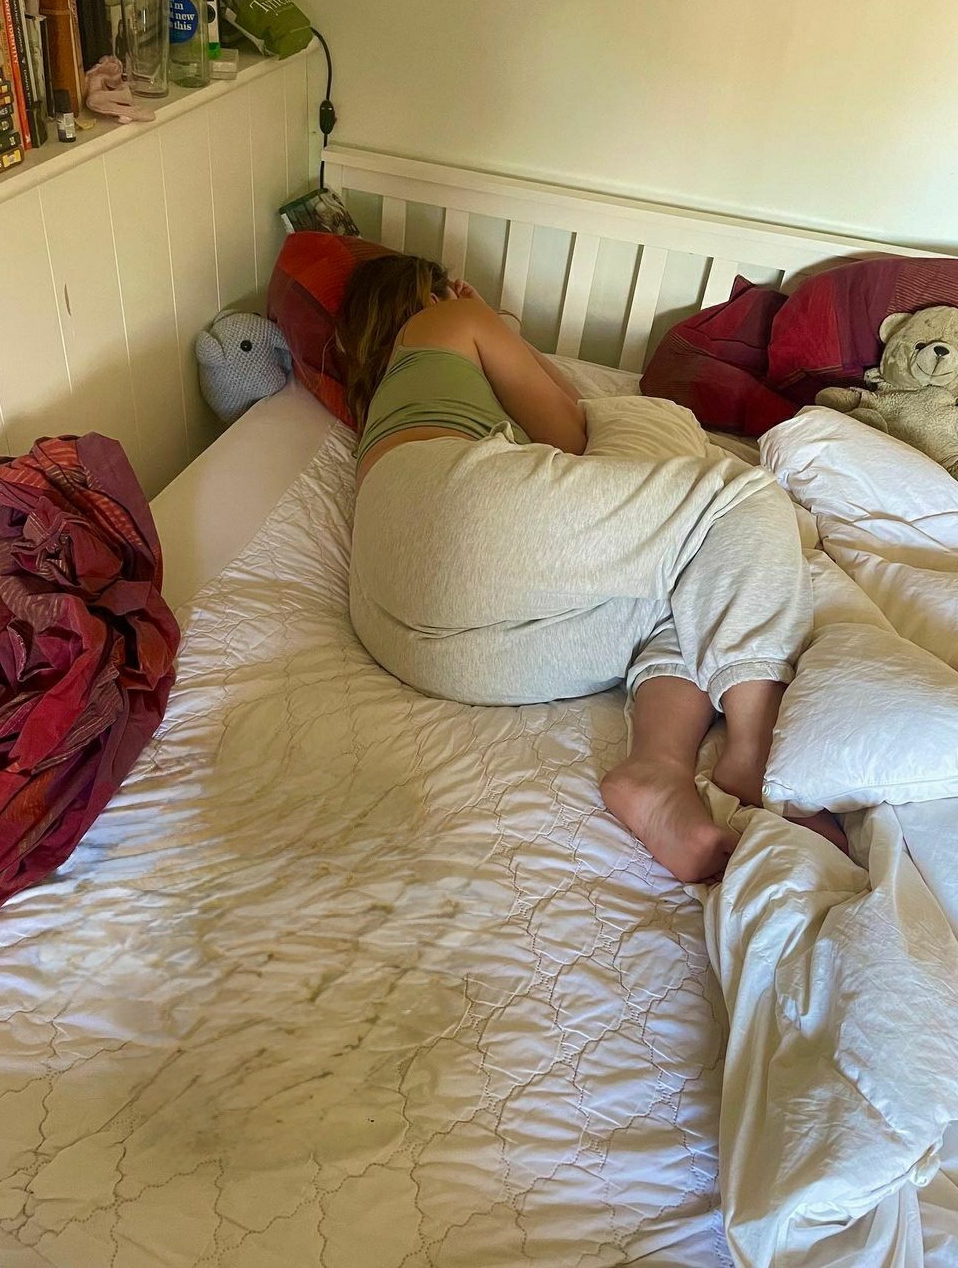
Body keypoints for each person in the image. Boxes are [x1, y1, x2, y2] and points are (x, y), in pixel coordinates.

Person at [337, 253, 846, 882]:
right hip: (451, 514)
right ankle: (758, 749)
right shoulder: (446, 320)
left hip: (410, 643)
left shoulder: (386, 400)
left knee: (687, 589)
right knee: (739, 499)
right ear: (430, 294)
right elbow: (571, 426)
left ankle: (657, 769)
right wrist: (490, 320)